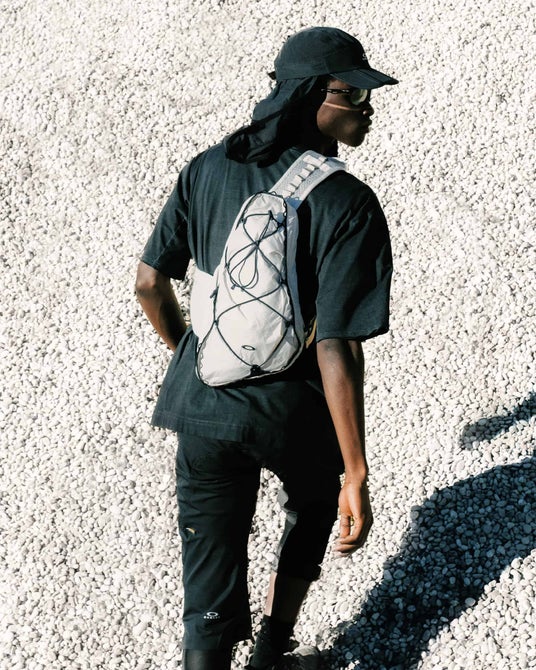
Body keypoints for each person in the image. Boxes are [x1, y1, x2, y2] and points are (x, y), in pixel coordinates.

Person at [136, 26, 397, 670]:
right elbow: (337, 345)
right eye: (352, 94)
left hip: (202, 405)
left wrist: (195, 355)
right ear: (308, 95)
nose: (367, 107)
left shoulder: (207, 166)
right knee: (314, 502)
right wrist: (357, 473)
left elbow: (148, 283)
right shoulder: (347, 201)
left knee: (209, 564)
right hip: (290, 409)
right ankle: (273, 651)